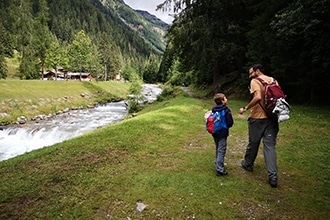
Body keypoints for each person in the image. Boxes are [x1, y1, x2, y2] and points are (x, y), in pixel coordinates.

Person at [239, 64, 280, 188]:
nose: (250, 75)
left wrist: (246, 108)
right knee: (269, 147)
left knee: (254, 142)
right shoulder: (273, 80)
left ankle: (248, 164)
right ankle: (273, 177)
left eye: (251, 72)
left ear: (257, 71)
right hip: (272, 118)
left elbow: (257, 97)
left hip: (258, 118)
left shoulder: (255, 81)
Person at [209, 93, 234, 176]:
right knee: (221, 149)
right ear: (222, 101)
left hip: (214, 132)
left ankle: (217, 161)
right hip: (223, 132)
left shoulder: (213, 110)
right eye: (225, 98)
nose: (226, 99)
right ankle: (219, 169)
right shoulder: (226, 110)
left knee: (218, 147)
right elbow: (230, 122)